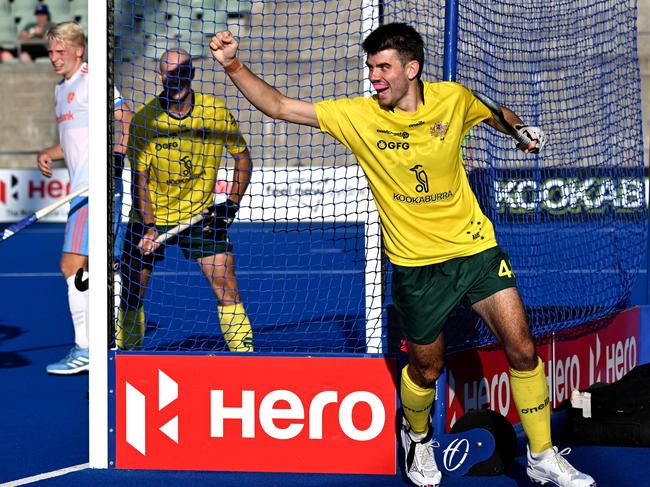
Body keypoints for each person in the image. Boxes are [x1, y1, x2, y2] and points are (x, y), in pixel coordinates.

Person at [208, 23, 594, 487]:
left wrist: (519, 131)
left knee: (523, 349)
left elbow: (494, 112)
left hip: (476, 249)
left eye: (383, 67)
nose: (374, 76)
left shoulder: (452, 98)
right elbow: (279, 106)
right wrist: (232, 64)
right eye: (371, 67)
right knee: (427, 368)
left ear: (412, 69)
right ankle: (418, 438)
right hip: (415, 266)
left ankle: (541, 455)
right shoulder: (358, 115)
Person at [119, 48, 254, 353]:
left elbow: (242, 158)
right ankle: (123, 360)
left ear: (192, 75)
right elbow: (139, 182)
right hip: (152, 217)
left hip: (201, 217)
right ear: (160, 76)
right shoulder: (144, 122)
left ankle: (247, 361)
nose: (175, 78)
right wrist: (150, 227)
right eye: (169, 72)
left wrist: (231, 204)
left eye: (182, 71)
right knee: (131, 293)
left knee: (227, 287)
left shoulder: (215, 112)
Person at [37, 21, 132, 375]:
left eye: (60, 51)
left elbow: (124, 120)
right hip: (80, 189)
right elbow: (80, 137)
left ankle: (89, 347)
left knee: (75, 265)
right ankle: (105, 340)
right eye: (50, 52)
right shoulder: (61, 90)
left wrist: (115, 163)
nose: (53, 58)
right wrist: (51, 151)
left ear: (79, 50)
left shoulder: (95, 79)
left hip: (99, 189)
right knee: (90, 267)